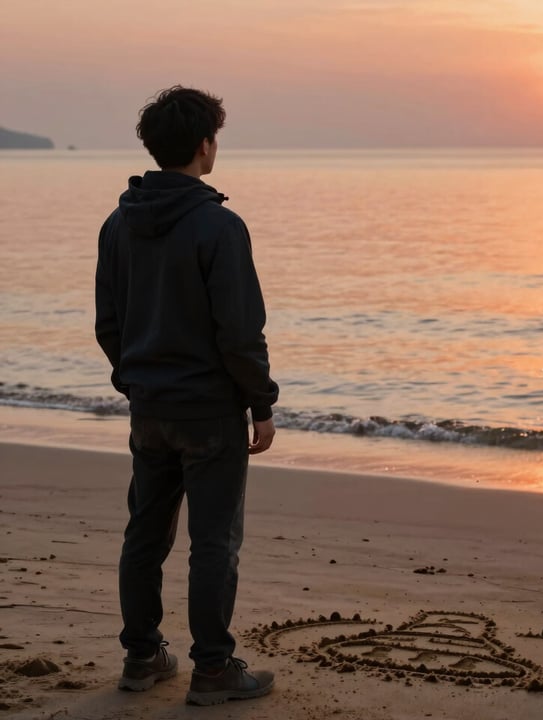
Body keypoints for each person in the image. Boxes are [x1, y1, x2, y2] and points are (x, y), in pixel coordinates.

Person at [95, 86, 279, 706]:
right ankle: (213, 668)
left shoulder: (119, 223)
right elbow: (240, 331)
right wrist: (262, 403)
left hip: (149, 410)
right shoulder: (219, 226)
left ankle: (142, 657)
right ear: (205, 146)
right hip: (207, 414)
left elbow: (109, 323)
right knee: (213, 542)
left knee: (145, 533)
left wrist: (136, 381)